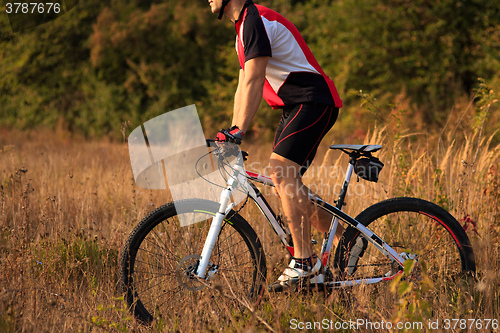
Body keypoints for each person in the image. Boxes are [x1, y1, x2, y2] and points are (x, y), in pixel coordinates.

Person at [210, 0, 344, 291]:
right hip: (297, 105)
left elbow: (256, 79)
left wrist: (239, 130)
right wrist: (231, 132)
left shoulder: (255, 20)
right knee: (287, 181)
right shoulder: (243, 28)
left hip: (313, 100)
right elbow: (242, 84)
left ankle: (304, 262)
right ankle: (344, 242)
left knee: (281, 172)